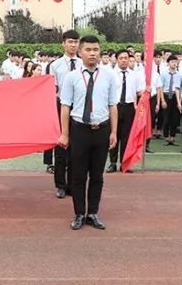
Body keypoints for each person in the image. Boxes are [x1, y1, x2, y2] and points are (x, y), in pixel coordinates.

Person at [58, 35, 118, 231]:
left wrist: (114, 132)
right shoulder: (72, 77)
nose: (93, 54)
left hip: (101, 130)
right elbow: (65, 106)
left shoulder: (109, 75)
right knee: (78, 176)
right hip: (79, 130)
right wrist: (65, 134)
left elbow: (113, 105)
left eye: (96, 50)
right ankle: (79, 214)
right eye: (88, 50)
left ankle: (93, 212)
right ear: (80, 52)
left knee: (97, 176)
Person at [46, 30, 80, 199]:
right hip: (60, 106)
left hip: (79, 107)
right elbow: (51, 89)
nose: (73, 45)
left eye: (76, 42)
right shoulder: (55, 65)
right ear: (63, 44)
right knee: (61, 147)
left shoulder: (83, 63)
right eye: (70, 42)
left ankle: (73, 185)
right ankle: (60, 185)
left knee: (77, 149)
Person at [107, 50, 137, 172]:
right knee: (114, 135)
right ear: (116, 59)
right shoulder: (110, 74)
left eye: (126, 58)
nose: (124, 60)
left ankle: (124, 163)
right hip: (115, 106)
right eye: (121, 58)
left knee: (126, 137)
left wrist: (147, 90)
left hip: (129, 107)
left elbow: (139, 92)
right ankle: (113, 163)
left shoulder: (135, 75)